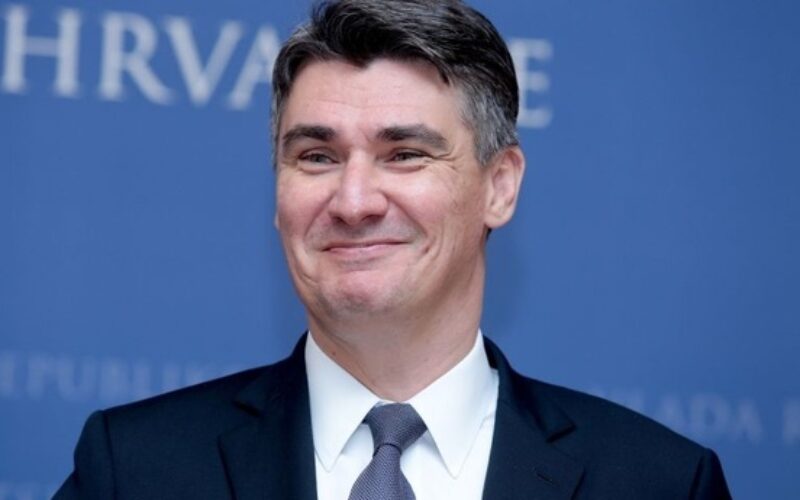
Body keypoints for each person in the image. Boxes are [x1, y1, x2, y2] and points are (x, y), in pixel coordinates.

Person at [55, 0, 732, 498]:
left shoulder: (658, 481)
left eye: (404, 154)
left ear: (499, 187)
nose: (353, 202)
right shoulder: (134, 469)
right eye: (316, 156)